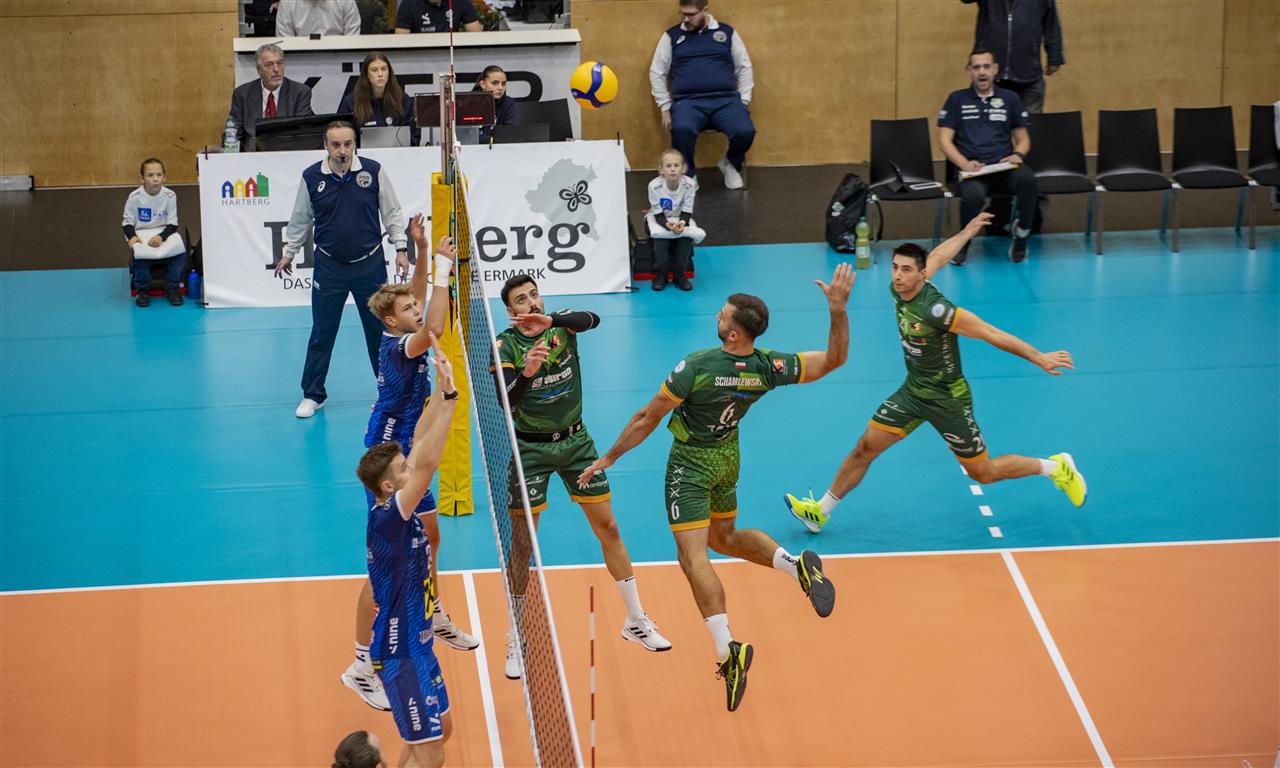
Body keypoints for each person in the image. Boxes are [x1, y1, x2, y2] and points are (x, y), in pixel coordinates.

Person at [577, 265, 855, 712]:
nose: (717, 316)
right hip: (728, 457)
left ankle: (728, 652)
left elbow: (647, 417)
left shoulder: (699, 367)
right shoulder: (768, 367)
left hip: (691, 465)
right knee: (723, 538)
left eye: (723, 315)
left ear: (734, 334)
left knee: (693, 557)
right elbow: (833, 361)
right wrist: (838, 311)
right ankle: (797, 567)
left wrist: (609, 457)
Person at [783, 214, 1087, 537]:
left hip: (948, 399)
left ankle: (1056, 467)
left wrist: (1038, 356)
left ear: (921, 274)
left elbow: (990, 333)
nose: (898, 276)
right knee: (865, 447)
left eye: (906, 270)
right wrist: (967, 231)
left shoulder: (937, 310)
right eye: (895, 267)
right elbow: (940, 255)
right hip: (914, 391)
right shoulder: (899, 289)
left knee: (983, 473)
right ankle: (820, 512)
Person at [496, 275, 671, 680]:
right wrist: (528, 371)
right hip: (530, 452)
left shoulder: (562, 327)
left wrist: (552, 321)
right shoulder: (505, 346)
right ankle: (515, 635)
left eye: (534, 294)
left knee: (608, 527)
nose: (531, 302)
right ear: (510, 311)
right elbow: (506, 400)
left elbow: (592, 318)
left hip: (577, 445)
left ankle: (635, 619)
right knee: (523, 544)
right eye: (521, 299)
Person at [341, 217, 478, 713]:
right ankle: (361, 665)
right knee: (385, 562)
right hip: (388, 453)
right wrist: (442, 264)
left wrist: (420, 251)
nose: (416, 311)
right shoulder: (401, 347)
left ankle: (431, 609)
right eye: (407, 310)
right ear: (391, 322)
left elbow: (417, 300)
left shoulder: (401, 327)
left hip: (410, 443)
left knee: (431, 534)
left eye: (414, 306)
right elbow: (434, 326)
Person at [356, 336, 458, 768]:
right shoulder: (388, 517)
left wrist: (443, 391)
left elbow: (417, 445)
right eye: (402, 470)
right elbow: (427, 464)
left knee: (440, 732)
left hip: (420, 645)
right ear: (387, 485)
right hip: (400, 654)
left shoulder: (396, 503)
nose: (409, 468)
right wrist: (451, 402)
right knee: (431, 754)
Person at [275, 121, 409, 419]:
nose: (342, 150)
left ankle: (388, 391)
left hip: (370, 264)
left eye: (348, 144)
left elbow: (392, 212)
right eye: (336, 145)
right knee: (322, 332)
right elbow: (300, 218)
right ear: (326, 146)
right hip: (329, 266)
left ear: (355, 144)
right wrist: (289, 253)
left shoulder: (373, 171)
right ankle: (313, 395)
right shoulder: (312, 177)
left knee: (380, 331)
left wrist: (401, 248)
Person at [938, 49, 1037, 263]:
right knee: (973, 196)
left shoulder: (1010, 98)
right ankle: (963, 242)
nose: (982, 72)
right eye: (976, 67)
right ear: (969, 71)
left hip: (1003, 168)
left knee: (1028, 180)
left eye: (986, 67)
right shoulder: (956, 99)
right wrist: (964, 163)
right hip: (973, 171)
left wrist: (1018, 154)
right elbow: (944, 141)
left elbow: (1024, 140)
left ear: (995, 69)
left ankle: (1021, 233)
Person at [649, 0, 756, 189]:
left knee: (745, 131)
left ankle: (730, 164)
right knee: (681, 129)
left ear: (705, 10)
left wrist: (744, 101)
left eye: (691, 14)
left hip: (725, 100)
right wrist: (664, 106)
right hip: (688, 102)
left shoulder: (727, 33)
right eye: (682, 14)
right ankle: (689, 174)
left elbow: (744, 66)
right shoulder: (672, 36)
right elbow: (657, 72)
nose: (685, 19)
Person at [961, 0, 1064, 115]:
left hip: (1029, 75)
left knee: (1030, 124)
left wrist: (1055, 56)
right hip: (990, 75)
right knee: (985, 122)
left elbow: (1051, 24)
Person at [123, 158, 185, 307]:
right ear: (142, 178)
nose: (155, 179)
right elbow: (127, 223)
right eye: (150, 175)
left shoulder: (170, 195)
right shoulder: (134, 197)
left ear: (164, 177)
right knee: (141, 257)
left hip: (163, 232)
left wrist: (161, 237)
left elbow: (173, 224)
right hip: (142, 233)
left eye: (159, 175)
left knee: (180, 254)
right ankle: (143, 290)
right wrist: (133, 237)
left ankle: (172, 288)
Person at [227, 43, 314, 150]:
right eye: (269, 65)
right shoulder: (242, 94)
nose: (276, 69)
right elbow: (233, 133)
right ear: (259, 70)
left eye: (279, 63)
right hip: (252, 155)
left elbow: (301, 134)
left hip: (287, 153)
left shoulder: (300, 92)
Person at [647, 148, 705, 291]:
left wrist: (682, 223)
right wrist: (667, 225)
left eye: (676, 165)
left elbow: (687, 208)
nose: (672, 169)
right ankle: (661, 275)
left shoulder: (690, 184)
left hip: (680, 219)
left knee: (685, 241)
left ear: (683, 168)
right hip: (660, 219)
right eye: (668, 166)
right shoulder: (654, 186)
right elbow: (657, 212)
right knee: (661, 242)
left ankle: (680, 276)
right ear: (661, 170)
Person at [338, 52, 421, 147]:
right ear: (366, 75)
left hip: (399, 154)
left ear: (389, 72)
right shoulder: (351, 102)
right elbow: (341, 136)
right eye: (374, 70)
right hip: (362, 155)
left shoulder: (403, 100)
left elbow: (414, 136)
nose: (380, 74)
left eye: (384, 69)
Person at [475, 66, 517, 143]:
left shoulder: (510, 103)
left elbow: (511, 134)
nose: (500, 88)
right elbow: (466, 135)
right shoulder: (470, 103)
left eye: (503, 83)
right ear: (483, 84)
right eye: (495, 83)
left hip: (502, 148)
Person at [276, 0, 361, 37]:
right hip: (299, 59)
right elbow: (284, 41)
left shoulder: (346, 1)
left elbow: (353, 37)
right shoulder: (287, 2)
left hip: (340, 57)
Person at [395, 0, 481, 33]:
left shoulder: (461, 2)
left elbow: (476, 35)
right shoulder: (408, 3)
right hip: (418, 56)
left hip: (452, 54)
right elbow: (401, 39)